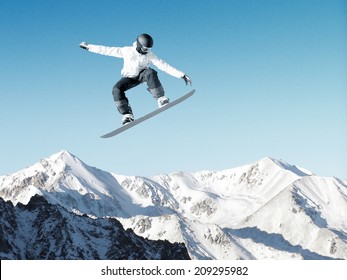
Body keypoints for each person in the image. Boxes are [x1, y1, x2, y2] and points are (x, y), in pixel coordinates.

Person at [79, 33, 192, 125]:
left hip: (143, 75)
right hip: (129, 77)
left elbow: (163, 65)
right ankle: (127, 115)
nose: (146, 51)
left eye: (148, 49)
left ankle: (161, 99)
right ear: (138, 45)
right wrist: (89, 47)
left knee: (151, 72)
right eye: (144, 48)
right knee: (116, 89)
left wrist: (181, 74)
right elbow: (106, 50)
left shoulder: (150, 55)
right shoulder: (126, 51)